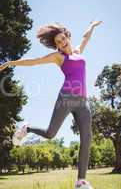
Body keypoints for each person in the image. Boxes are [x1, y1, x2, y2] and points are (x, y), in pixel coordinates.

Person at [0, 20, 102, 189]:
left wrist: (92, 25)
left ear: (67, 36)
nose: (62, 43)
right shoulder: (58, 57)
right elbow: (35, 61)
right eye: (58, 42)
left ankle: (81, 182)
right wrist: (11, 63)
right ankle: (27, 129)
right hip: (67, 97)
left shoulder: (77, 52)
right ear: (57, 46)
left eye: (63, 38)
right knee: (50, 133)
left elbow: (85, 38)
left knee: (87, 138)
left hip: (83, 102)